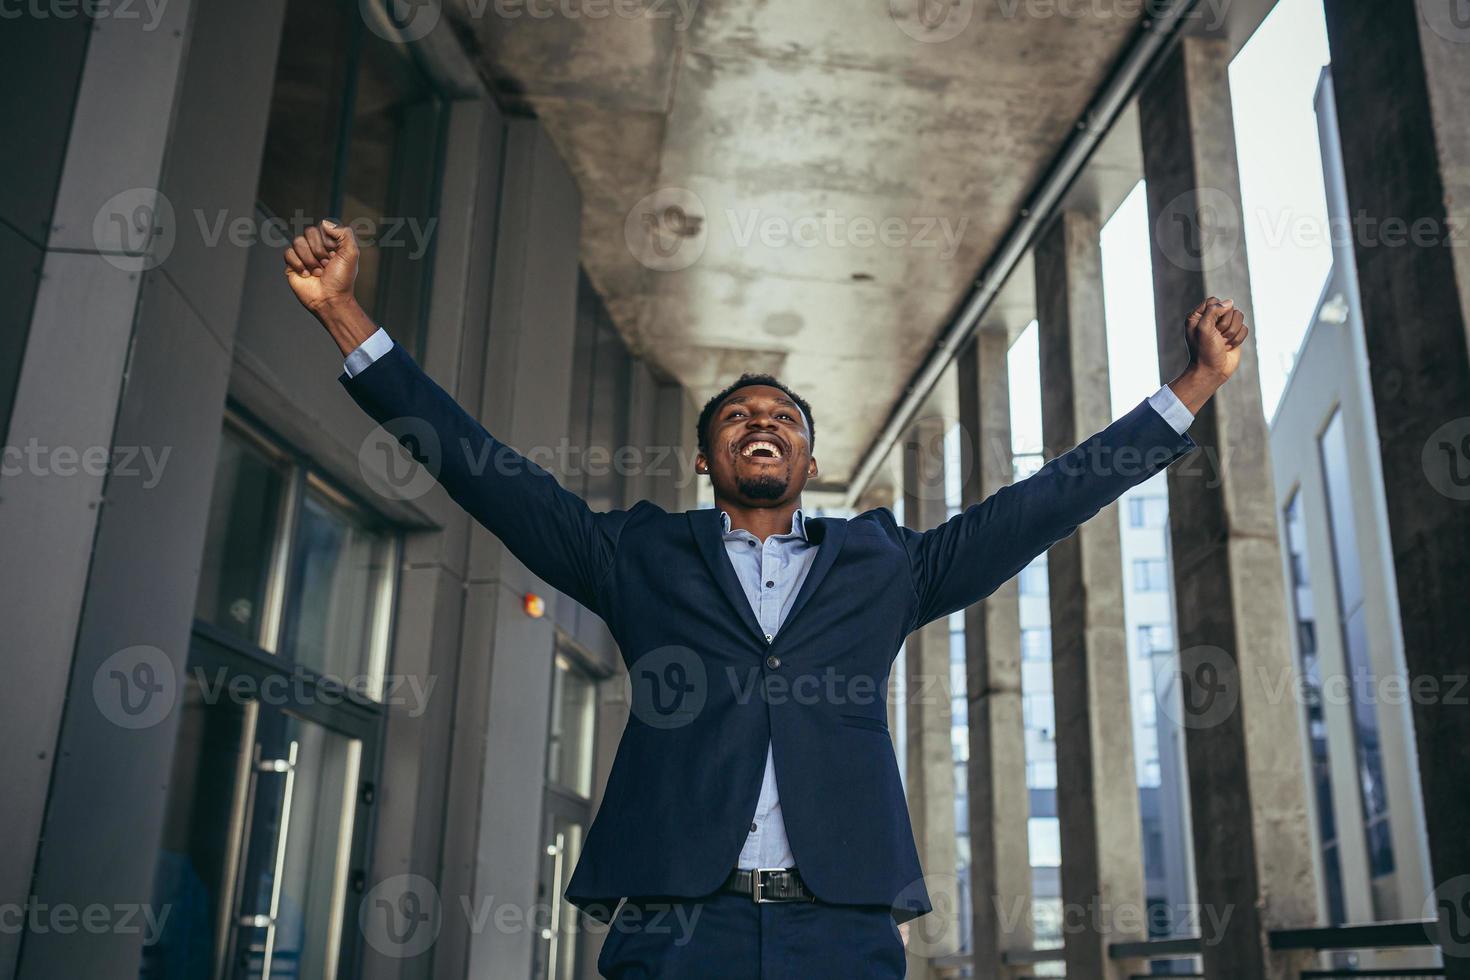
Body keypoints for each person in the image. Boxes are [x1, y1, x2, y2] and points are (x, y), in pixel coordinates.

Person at [283, 219, 1248, 979]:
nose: (762, 422)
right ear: (705, 458)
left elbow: (1042, 502)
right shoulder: (638, 554)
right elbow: (482, 473)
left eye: (782, 417)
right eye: (738, 416)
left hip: (840, 926)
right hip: (674, 923)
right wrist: (342, 315)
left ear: (809, 460)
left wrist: (1192, 387)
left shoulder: (886, 565)